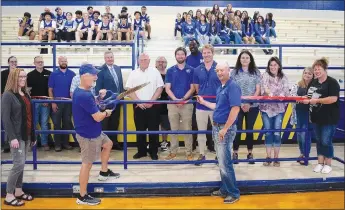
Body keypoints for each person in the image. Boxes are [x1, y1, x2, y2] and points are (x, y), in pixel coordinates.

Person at [73, 64, 120, 206]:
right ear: (83, 76)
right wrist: (106, 113)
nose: (96, 77)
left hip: (94, 131)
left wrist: (98, 97)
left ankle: (104, 172)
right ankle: (82, 196)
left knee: (108, 144)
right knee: (87, 164)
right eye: (93, 74)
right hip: (88, 135)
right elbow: (98, 117)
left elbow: (91, 104)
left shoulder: (83, 91)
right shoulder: (84, 95)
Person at [196, 62, 241, 204]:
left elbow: (235, 109)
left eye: (222, 70)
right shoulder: (221, 87)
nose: (219, 73)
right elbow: (217, 106)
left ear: (229, 71)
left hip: (224, 130)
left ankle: (233, 192)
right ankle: (224, 189)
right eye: (218, 71)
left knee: (225, 162)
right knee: (221, 162)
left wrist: (225, 128)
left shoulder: (233, 87)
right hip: (217, 128)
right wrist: (203, 102)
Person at [2, 68, 35, 207]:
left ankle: (19, 191)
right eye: (20, 76)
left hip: (26, 134)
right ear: (14, 78)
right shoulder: (8, 95)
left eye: (24, 76)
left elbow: (29, 116)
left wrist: (32, 135)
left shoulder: (25, 93)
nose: (23, 79)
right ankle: (9, 195)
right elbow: (5, 118)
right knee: (18, 164)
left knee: (21, 165)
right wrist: (12, 137)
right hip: (17, 136)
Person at [302, 58, 340, 174]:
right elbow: (309, 97)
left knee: (326, 141)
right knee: (318, 140)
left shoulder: (332, 82)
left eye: (319, 69)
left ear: (324, 70)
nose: (316, 71)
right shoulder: (313, 82)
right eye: (315, 69)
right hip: (315, 117)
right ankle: (320, 163)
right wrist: (305, 99)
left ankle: (328, 164)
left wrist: (316, 101)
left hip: (329, 118)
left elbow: (333, 99)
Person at [125, 53, 164, 160]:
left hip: (153, 106)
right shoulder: (133, 73)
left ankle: (153, 152)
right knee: (140, 130)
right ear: (138, 61)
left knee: (153, 130)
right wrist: (138, 102)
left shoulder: (155, 72)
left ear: (149, 60)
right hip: (138, 107)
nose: (143, 61)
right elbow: (129, 90)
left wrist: (151, 101)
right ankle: (141, 151)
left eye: (146, 59)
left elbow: (160, 88)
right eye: (141, 60)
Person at [164, 47, 195, 161]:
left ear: (185, 56)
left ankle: (189, 152)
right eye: (178, 54)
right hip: (172, 104)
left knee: (188, 129)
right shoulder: (170, 70)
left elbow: (192, 88)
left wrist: (182, 99)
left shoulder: (191, 70)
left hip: (187, 104)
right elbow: (167, 88)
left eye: (182, 54)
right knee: (173, 130)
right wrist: (176, 100)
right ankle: (173, 152)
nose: (180, 56)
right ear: (175, 56)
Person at [231, 51, 261, 164]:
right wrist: (241, 103)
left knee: (249, 129)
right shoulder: (234, 72)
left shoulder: (256, 72)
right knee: (236, 129)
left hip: (252, 106)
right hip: (237, 106)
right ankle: (235, 153)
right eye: (242, 57)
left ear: (250, 59)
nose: (244, 59)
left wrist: (249, 103)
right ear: (239, 59)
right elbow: (232, 89)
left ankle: (250, 153)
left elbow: (258, 89)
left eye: (247, 57)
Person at [193, 44, 221, 164]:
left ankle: (219, 154)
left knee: (218, 132)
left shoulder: (219, 67)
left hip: (216, 105)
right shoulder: (197, 69)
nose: (206, 55)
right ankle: (202, 154)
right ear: (202, 54)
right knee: (201, 131)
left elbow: (223, 85)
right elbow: (196, 87)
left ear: (212, 53)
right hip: (201, 106)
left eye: (208, 52)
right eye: (204, 53)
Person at [260, 57, 289, 167]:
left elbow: (286, 90)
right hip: (266, 108)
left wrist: (281, 95)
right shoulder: (264, 75)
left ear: (279, 66)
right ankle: (268, 157)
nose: (273, 67)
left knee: (277, 133)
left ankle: (276, 157)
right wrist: (269, 93)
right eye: (271, 65)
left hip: (279, 109)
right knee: (268, 132)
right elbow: (264, 88)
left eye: (275, 65)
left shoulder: (284, 77)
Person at [95, 51, 124, 150]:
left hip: (117, 102)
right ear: (104, 58)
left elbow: (120, 85)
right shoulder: (100, 70)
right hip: (106, 102)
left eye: (111, 57)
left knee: (115, 123)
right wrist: (100, 101)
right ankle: (105, 145)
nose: (110, 59)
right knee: (105, 125)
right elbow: (98, 87)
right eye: (108, 57)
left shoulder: (118, 68)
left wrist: (121, 98)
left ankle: (114, 143)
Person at [48, 56, 75, 152]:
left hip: (68, 102)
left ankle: (66, 143)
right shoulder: (53, 74)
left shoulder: (72, 74)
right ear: (58, 62)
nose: (64, 62)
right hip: (57, 102)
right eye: (62, 61)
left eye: (65, 61)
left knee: (67, 122)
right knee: (56, 124)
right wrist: (53, 102)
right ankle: (57, 144)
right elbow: (50, 90)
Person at [290, 67, 314, 165]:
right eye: (305, 73)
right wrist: (300, 98)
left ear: (313, 75)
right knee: (299, 135)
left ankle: (306, 155)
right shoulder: (298, 84)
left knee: (306, 135)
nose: (307, 75)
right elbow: (291, 96)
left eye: (309, 73)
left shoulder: (315, 86)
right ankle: (302, 153)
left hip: (309, 114)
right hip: (298, 113)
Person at [27, 56, 51, 151]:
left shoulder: (49, 74)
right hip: (34, 102)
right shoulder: (29, 75)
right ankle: (34, 142)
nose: (40, 63)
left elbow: (51, 89)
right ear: (34, 63)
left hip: (45, 102)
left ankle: (44, 143)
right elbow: (27, 90)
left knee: (44, 123)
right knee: (34, 123)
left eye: (41, 61)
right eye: (38, 62)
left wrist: (48, 100)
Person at [1, 56, 18, 153]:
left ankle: (15, 141)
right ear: (8, 63)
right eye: (12, 61)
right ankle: (7, 143)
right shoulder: (3, 74)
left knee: (15, 120)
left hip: (16, 100)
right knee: (6, 120)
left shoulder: (19, 73)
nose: (14, 63)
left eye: (15, 62)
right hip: (5, 99)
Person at [155, 56, 170, 151]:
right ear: (155, 63)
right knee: (154, 124)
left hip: (166, 103)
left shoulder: (169, 74)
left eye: (163, 61)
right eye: (159, 61)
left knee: (165, 124)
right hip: (154, 102)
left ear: (166, 63)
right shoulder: (152, 73)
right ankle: (154, 142)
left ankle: (164, 142)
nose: (161, 63)